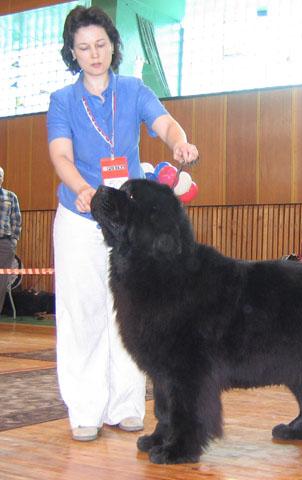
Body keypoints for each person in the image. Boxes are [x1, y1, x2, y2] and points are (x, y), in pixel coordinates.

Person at [47, 6, 199, 442]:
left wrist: (179, 141)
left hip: (131, 225)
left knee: (133, 311)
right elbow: (61, 154)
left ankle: (128, 405)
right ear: (71, 53)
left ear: (113, 45)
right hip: (80, 216)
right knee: (83, 313)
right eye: (83, 47)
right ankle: (85, 410)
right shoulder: (63, 101)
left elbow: (163, 123)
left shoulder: (134, 89)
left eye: (100, 44)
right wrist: (83, 189)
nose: (93, 54)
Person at [0, 167, 22, 314]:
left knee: (2, 280)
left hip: (5, 243)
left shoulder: (11, 196)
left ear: (2, 178)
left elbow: (16, 220)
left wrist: (13, 240)